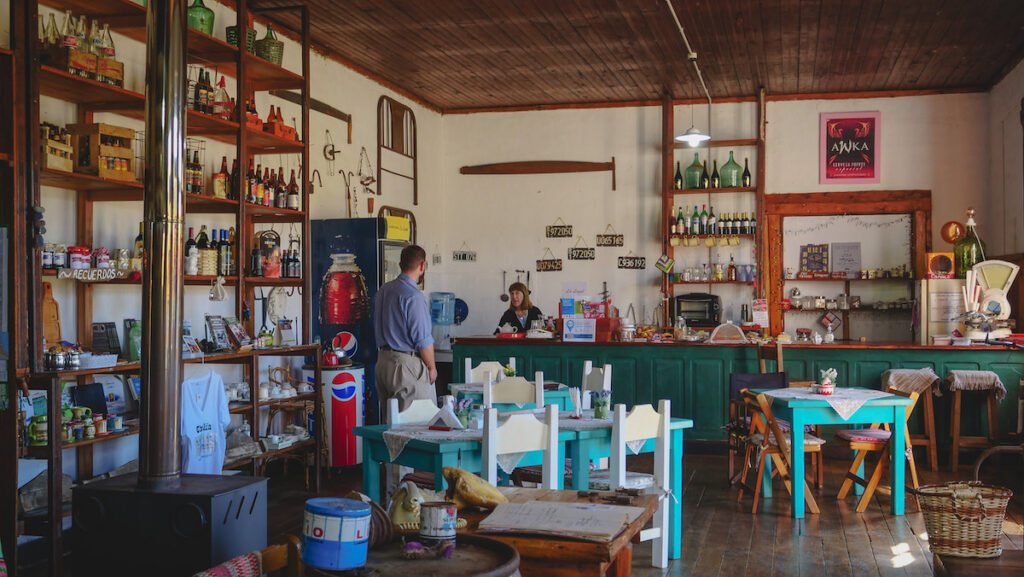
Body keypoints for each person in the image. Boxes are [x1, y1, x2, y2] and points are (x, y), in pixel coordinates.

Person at [374, 244, 436, 415]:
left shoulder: (383, 290)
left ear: (400, 264)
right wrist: (431, 367)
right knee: (414, 424)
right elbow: (422, 338)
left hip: (382, 362)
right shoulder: (413, 296)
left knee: (390, 424)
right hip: (405, 366)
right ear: (422, 265)